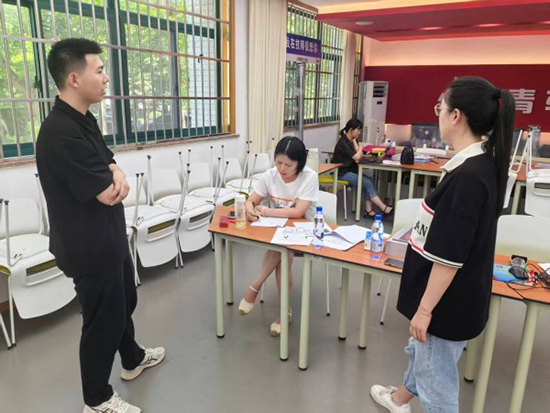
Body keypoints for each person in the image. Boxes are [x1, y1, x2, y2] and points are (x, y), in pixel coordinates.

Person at [370, 76, 514, 413]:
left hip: (447, 303)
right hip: (460, 295)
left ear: (456, 116)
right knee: (424, 354)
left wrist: (424, 311)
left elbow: (449, 257)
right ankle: (399, 399)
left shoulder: (469, 177)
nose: (438, 114)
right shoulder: (482, 164)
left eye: (441, 107)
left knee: (437, 386)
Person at [36, 38, 164, 413]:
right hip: (88, 246)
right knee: (102, 321)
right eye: (100, 70)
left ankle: (132, 358)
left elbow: (109, 163)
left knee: (124, 302)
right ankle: (96, 399)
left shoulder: (83, 118)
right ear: (74, 78)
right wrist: (115, 179)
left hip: (107, 236)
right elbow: (109, 193)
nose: (107, 78)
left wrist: (116, 172)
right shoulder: (60, 131)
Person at [237, 137, 319, 336]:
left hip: (307, 232)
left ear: (300, 163)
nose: (282, 168)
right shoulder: (270, 175)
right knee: (283, 252)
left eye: (288, 165)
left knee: (282, 250)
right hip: (279, 231)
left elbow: (298, 212)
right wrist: (249, 209)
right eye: (278, 162)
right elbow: (251, 200)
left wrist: (266, 211)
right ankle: (284, 311)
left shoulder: (309, 177)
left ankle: (255, 286)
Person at [332, 118, 393, 218]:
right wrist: (360, 147)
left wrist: (356, 144)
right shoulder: (343, 142)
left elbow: (358, 156)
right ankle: (383, 208)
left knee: (369, 181)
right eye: (358, 130)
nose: (359, 132)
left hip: (350, 171)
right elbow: (357, 157)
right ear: (351, 130)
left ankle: (368, 210)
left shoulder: (351, 140)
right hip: (341, 173)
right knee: (367, 182)